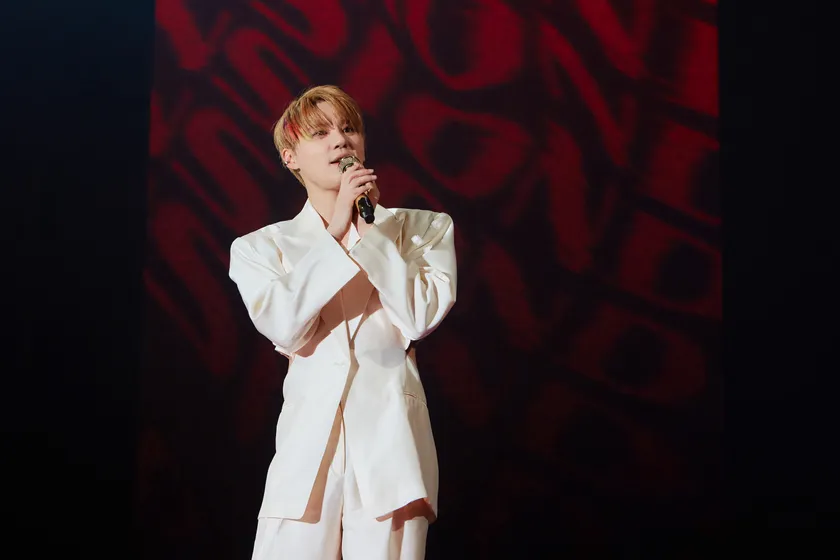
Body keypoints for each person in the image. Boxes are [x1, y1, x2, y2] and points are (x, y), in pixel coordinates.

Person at [228, 85, 457, 560]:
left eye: (349, 128)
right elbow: (284, 327)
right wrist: (333, 233)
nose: (340, 140)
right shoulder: (260, 248)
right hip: (305, 456)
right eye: (320, 133)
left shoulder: (424, 229)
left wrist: (372, 233)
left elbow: (418, 317)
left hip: (391, 448)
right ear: (290, 157)